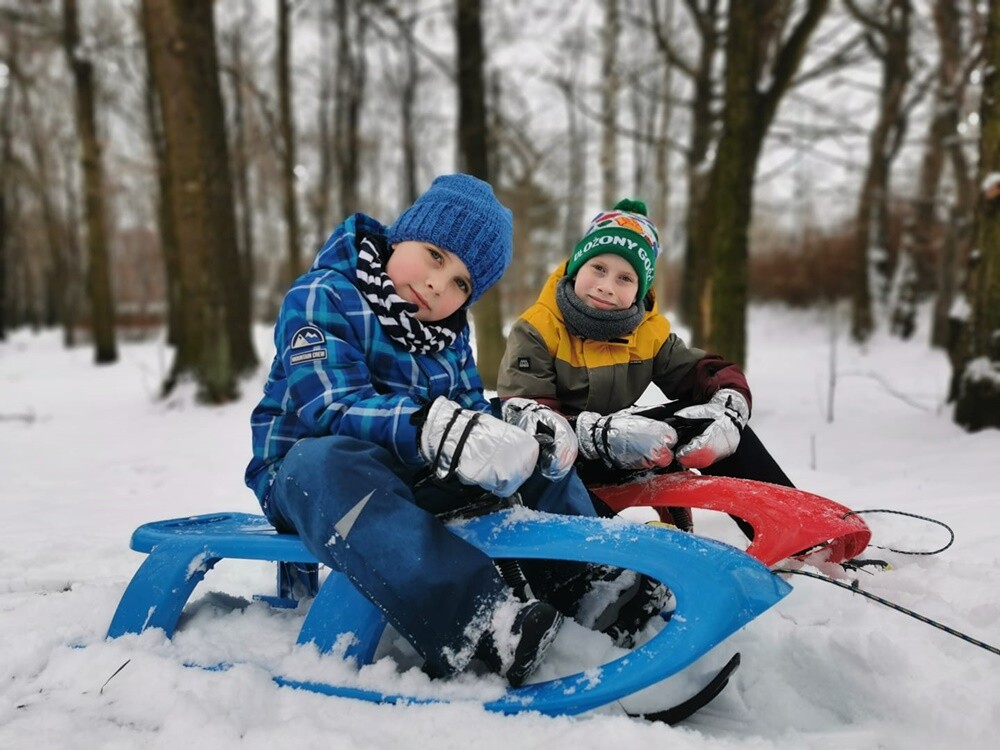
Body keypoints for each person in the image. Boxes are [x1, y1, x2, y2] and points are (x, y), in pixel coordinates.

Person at [244, 175, 658, 688]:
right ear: (401, 236)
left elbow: (466, 409)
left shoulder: (448, 333)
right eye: (436, 256)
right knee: (323, 461)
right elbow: (328, 403)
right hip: (310, 477)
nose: (441, 285)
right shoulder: (323, 295)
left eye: (462, 283)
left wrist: (517, 430)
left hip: (417, 471)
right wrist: (433, 429)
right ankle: (482, 626)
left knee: (532, 455)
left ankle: (591, 583)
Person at [497, 199, 794, 533]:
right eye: (598, 268)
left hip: (621, 445)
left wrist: (731, 402)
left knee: (713, 422)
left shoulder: (648, 333)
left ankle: (793, 532)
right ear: (576, 266)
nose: (606, 286)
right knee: (547, 459)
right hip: (559, 460)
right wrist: (599, 436)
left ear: (640, 289)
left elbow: (703, 373)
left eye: (625, 278)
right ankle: (618, 561)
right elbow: (530, 421)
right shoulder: (537, 328)